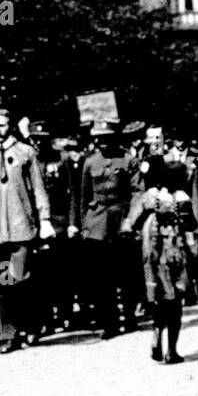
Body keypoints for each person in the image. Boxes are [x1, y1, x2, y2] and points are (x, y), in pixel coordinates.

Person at [0, 108, 55, 354]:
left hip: (20, 227)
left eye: (3, 125)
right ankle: (9, 333)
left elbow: (38, 188)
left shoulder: (26, 153)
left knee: (18, 279)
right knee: (1, 286)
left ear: (10, 126)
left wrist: (45, 218)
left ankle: (29, 326)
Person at [78, 122, 137, 339]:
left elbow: (137, 192)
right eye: (98, 136)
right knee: (102, 276)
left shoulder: (128, 159)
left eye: (106, 136)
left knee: (125, 273)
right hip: (97, 223)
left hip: (121, 219)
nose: (102, 140)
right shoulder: (90, 161)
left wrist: (130, 219)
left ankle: (129, 316)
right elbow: (84, 196)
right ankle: (108, 322)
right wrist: (84, 224)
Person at [140, 190, 193, 364]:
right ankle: (172, 351)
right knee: (175, 310)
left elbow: (148, 253)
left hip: (158, 271)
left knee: (161, 307)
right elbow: (191, 242)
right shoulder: (177, 221)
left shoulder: (150, 223)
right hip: (175, 268)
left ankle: (157, 332)